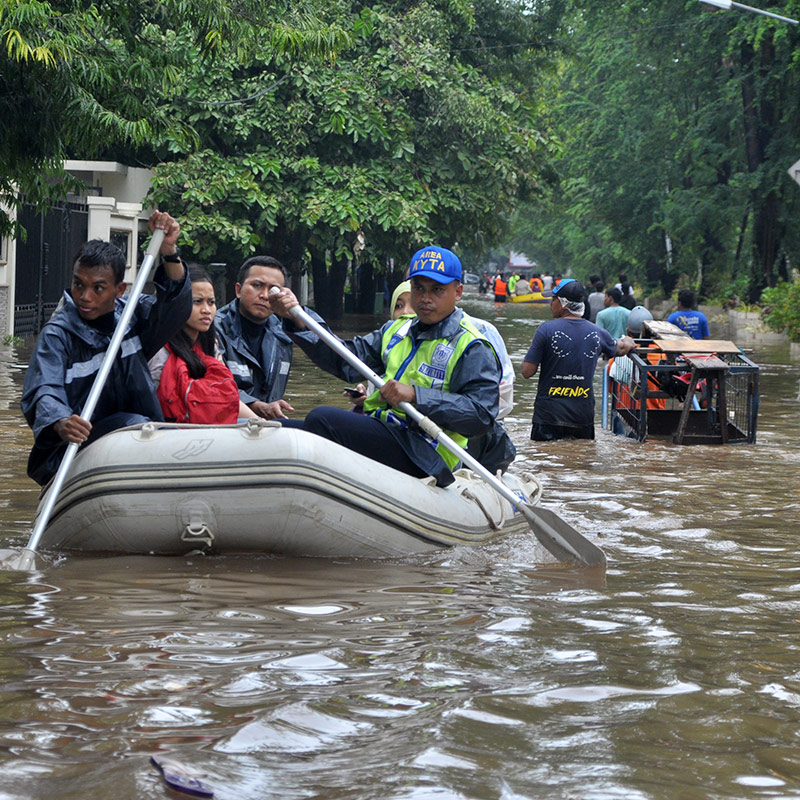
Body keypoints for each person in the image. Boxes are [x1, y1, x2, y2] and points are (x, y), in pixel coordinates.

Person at [269, 246, 503, 487]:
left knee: (322, 417)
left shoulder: (472, 346)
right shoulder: (396, 330)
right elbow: (345, 360)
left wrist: (416, 396)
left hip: (425, 451)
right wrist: (298, 321)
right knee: (278, 430)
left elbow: (480, 416)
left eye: (437, 290)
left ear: (458, 292)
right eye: (418, 288)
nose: (425, 298)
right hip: (384, 430)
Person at [21, 211, 192, 486]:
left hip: (139, 436)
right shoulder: (58, 334)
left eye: (98, 288)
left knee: (138, 424)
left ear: (119, 289)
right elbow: (43, 389)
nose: (84, 297)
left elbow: (175, 305)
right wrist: (61, 420)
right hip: (74, 448)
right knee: (132, 423)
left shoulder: (133, 318)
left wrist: (169, 251)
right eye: (79, 284)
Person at [521, 278, 636, 441]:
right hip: (582, 416)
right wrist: (628, 342)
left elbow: (527, 372)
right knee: (581, 461)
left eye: (553, 299)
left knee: (546, 463)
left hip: (549, 415)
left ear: (562, 302)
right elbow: (620, 348)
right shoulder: (597, 332)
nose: (550, 303)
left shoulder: (545, 330)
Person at [215, 256, 324, 421]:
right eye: (257, 286)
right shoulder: (214, 329)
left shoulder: (285, 332)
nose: (265, 296)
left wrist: (298, 318)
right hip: (225, 423)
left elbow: (326, 349)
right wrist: (257, 406)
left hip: (265, 427)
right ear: (238, 290)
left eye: (273, 290)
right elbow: (214, 387)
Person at [149, 265, 257, 424]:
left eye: (211, 302)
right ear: (177, 304)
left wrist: (260, 422)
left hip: (208, 423)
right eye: (197, 302)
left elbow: (227, 397)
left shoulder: (210, 346)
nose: (207, 310)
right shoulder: (159, 350)